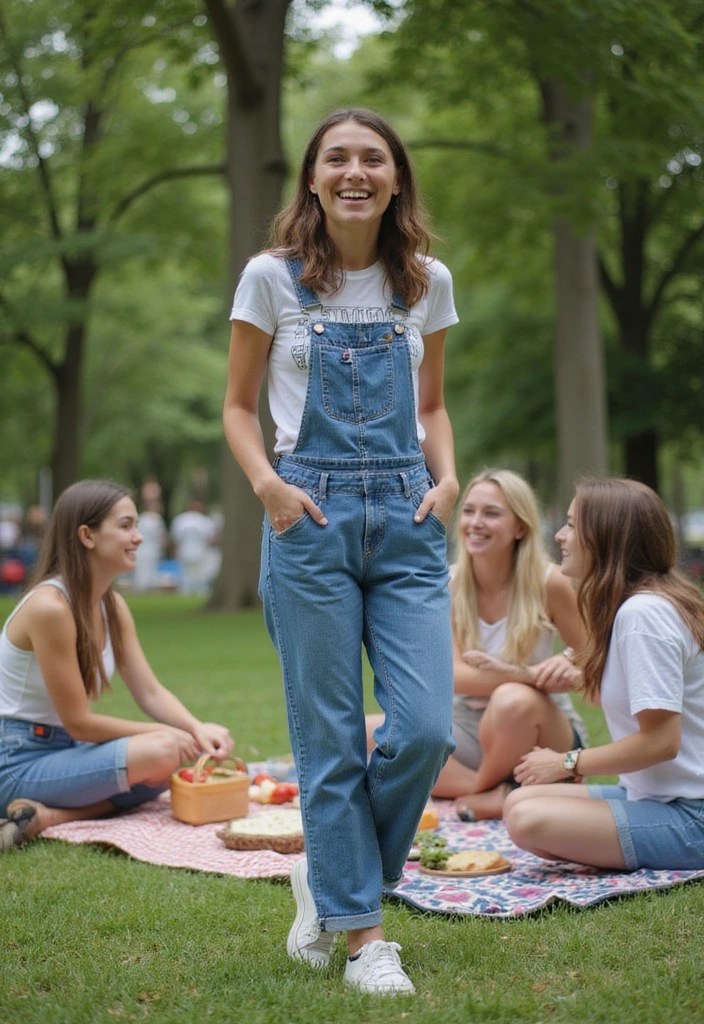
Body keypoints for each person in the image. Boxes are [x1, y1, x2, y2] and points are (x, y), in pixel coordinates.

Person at [223, 107, 459, 994]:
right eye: (337, 159)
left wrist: (448, 480)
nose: (355, 171)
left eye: (373, 158)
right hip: (308, 519)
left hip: (407, 515)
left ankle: (329, 877)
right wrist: (271, 490)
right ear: (313, 180)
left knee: (426, 729)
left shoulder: (426, 282)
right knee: (327, 739)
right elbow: (238, 408)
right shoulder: (271, 279)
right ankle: (365, 939)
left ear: (396, 178)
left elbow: (432, 405)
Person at [0, 480, 234, 851]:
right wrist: (168, 737)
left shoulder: (112, 606)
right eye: (126, 526)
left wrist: (195, 728)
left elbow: (149, 690)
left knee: (171, 762)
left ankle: (48, 817)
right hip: (15, 760)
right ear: (87, 536)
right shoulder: (50, 608)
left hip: (66, 751)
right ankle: (43, 810)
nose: (138, 537)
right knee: (162, 752)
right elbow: (79, 721)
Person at [505, 477, 704, 871]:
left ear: (608, 537)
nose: (561, 536)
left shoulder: (644, 615)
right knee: (518, 802)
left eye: (573, 525)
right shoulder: (634, 607)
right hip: (651, 797)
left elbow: (661, 742)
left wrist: (567, 762)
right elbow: (621, 701)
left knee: (527, 820)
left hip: (692, 816)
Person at [367, 468, 588, 821]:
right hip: (468, 722)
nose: (475, 522)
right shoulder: (447, 585)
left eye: (492, 513)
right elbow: (453, 676)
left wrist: (561, 666)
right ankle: (494, 792)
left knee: (511, 700)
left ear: (520, 527)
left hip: (538, 726)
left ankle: (482, 789)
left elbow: (593, 659)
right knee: (371, 732)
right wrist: (530, 674)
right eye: (469, 511)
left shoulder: (550, 583)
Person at [169, 499, 217, 596]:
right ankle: (200, 591)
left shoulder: (181, 520)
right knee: (199, 573)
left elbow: (175, 537)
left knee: (186, 573)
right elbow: (211, 538)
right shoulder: (204, 520)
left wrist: (175, 549)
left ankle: (186, 591)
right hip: (200, 550)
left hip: (185, 549)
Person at [133, 496, 166, 592]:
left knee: (150, 567)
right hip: (145, 547)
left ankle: (148, 586)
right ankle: (142, 586)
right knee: (144, 567)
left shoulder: (151, 518)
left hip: (150, 547)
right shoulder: (147, 518)